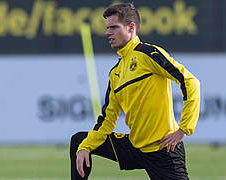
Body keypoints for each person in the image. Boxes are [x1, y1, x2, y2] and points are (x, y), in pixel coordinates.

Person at [70, 3, 200, 180]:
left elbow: (190, 82)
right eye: (107, 28)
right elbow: (107, 119)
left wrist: (184, 129)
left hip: (163, 150)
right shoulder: (116, 72)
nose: (108, 32)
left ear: (131, 27)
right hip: (134, 148)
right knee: (79, 142)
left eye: (114, 27)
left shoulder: (148, 54)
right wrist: (86, 147)